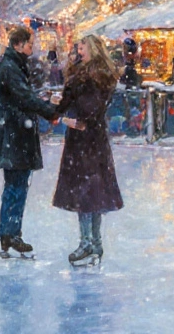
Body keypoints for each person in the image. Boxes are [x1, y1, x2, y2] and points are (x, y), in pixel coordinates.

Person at [0, 25, 58, 258]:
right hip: (14, 135)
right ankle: (10, 234)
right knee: (16, 186)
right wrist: (50, 110)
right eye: (29, 44)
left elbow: (22, 96)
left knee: (15, 186)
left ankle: (9, 234)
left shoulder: (11, 65)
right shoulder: (11, 67)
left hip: (14, 134)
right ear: (17, 45)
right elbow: (24, 97)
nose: (32, 48)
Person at [51, 34, 124, 267]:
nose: (77, 51)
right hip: (94, 138)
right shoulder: (99, 76)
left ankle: (88, 243)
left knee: (85, 191)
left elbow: (86, 107)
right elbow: (89, 105)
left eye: (81, 47)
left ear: (90, 49)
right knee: (93, 191)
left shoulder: (87, 77)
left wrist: (68, 116)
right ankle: (94, 242)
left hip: (84, 139)